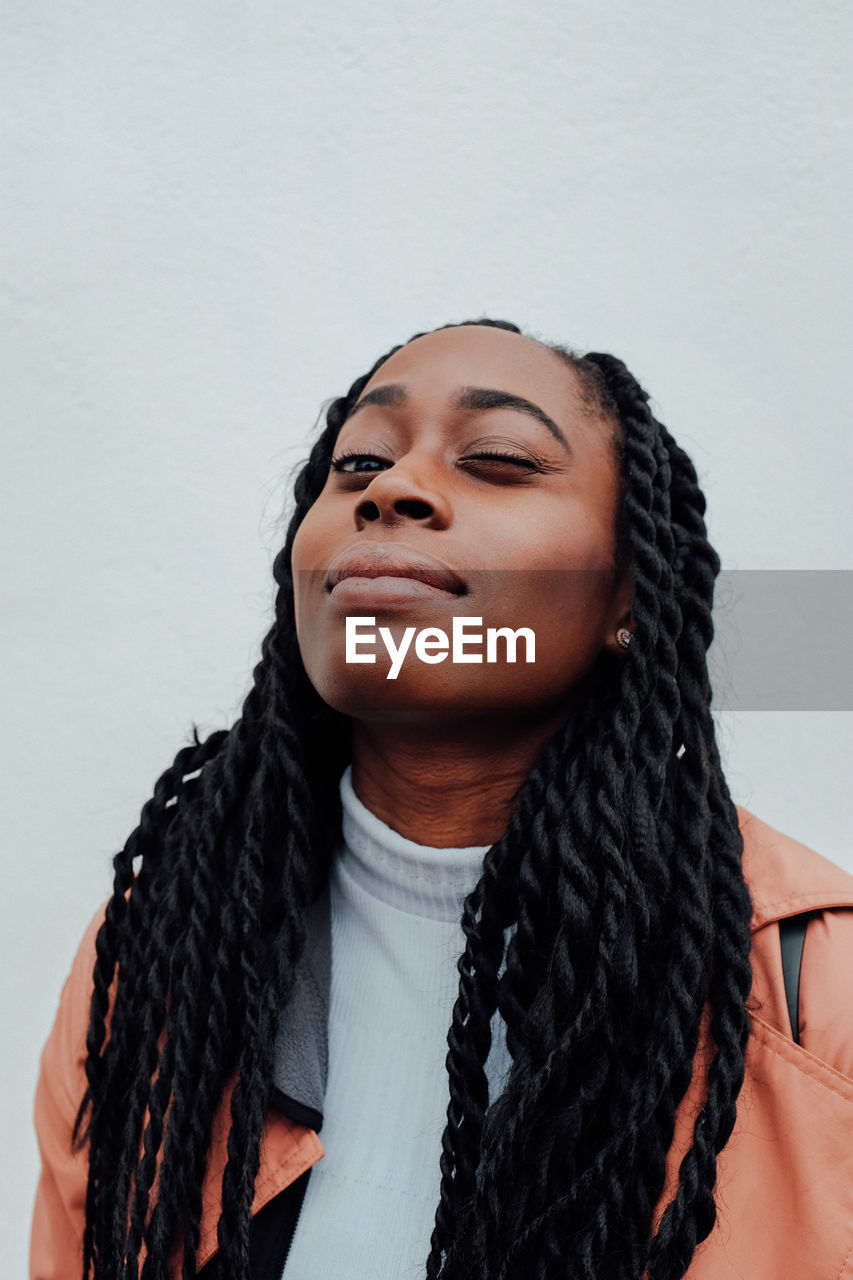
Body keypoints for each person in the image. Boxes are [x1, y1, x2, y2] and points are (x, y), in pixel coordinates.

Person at [30, 319, 853, 1280]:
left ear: (630, 593)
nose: (392, 488)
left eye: (499, 459)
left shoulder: (816, 992)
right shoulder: (157, 955)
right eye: (357, 464)